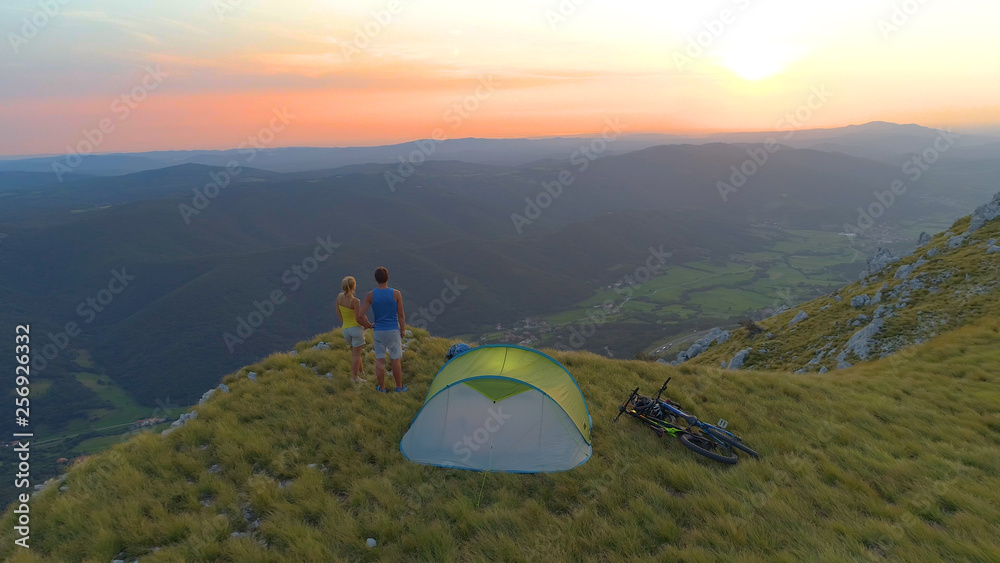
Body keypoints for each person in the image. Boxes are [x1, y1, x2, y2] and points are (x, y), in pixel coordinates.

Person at [360, 266, 407, 392]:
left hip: (379, 331)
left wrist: (368, 325)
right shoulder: (396, 293)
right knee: (395, 359)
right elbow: (401, 314)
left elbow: (360, 314)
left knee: (380, 360)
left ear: (376, 279)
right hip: (393, 330)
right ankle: (399, 387)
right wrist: (402, 330)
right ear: (388, 278)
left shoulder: (370, 295)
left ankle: (381, 388)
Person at [336, 276, 374, 383]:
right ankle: (355, 377)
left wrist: (344, 323)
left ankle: (361, 371)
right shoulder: (355, 301)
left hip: (345, 329)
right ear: (354, 286)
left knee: (355, 352)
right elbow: (359, 317)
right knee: (356, 354)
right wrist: (368, 325)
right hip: (356, 330)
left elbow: (338, 312)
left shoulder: (339, 297)